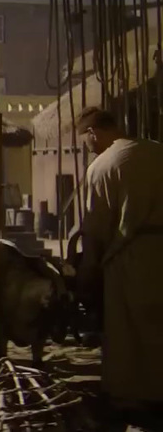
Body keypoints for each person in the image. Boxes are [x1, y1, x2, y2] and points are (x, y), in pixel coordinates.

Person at [75, 107, 163, 427]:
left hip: (131, 260)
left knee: (129, 336)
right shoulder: (157, 151)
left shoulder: (102, 166)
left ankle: (134, 403)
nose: (87, 147)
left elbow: (96, 230)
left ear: (93, 133)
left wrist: (87, 271)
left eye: (85, 140)